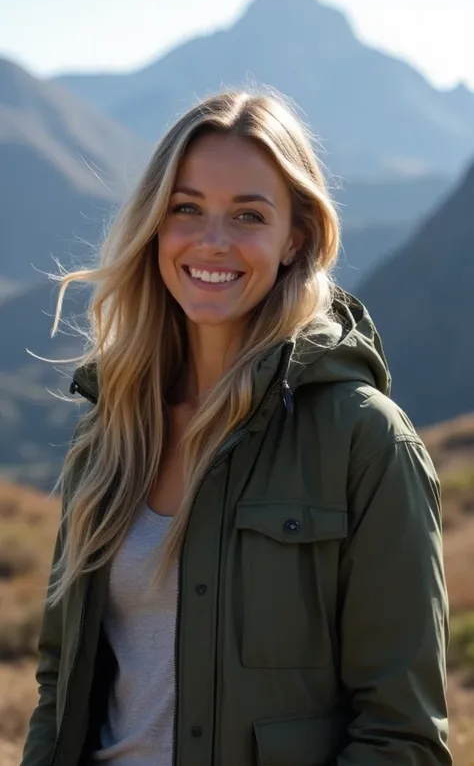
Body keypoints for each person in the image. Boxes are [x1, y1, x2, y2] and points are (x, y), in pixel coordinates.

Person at [21, 90, 451, 766]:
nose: (211, 241)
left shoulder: (364, 442)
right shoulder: (110, 435)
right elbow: (60, 682)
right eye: (186, 208)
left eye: (248, 215)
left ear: (296, 240)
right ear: (155, 225)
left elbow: (402, 737)